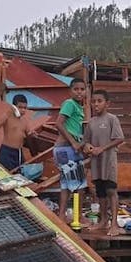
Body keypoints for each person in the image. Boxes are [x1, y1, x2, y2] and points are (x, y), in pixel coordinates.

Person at [83, 90, 125, 236]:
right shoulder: (90, 123)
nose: (96, 104)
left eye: (99, 101)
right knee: (100, 192)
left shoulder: (112, 119)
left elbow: (119, 139)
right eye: (93, 101)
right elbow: (85, 142)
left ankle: (114, 224)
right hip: (96, 163)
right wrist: (88, 147)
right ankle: (103, 221)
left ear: (107, 103)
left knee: (111, 191)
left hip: (108, 161)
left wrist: (102, 148)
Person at [54, 78, 88, 220]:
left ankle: (62, 216)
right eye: (76, 89)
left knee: (66, 185)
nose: (79, 92)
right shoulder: (70, 104)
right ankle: (78, 217)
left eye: (82, 89)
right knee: (79, 184)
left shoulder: (80, 107)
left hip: (62, 150)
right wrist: (74, 142)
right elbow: (59, 124)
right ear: (70, 91)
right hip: (67, 149)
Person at [0, 94, 34, 171]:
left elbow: (28, 133)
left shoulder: (24, 121)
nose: (23, 110)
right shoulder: (8, 117)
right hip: (7, 151)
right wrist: (7, 114)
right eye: (20, 107)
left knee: (19, 172)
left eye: (25, 108)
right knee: (7, 173)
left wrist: (32, 134)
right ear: (14, 107)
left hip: (18, 152)